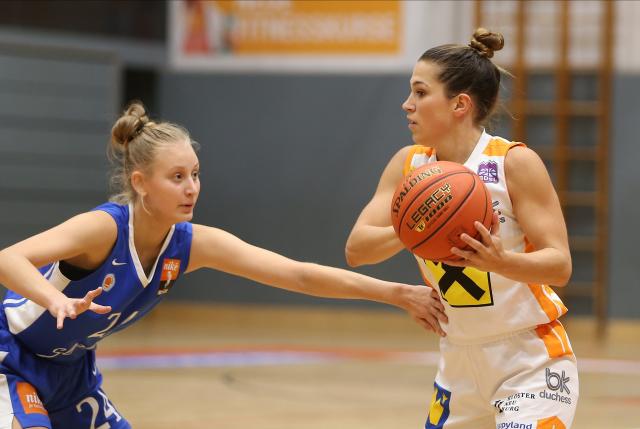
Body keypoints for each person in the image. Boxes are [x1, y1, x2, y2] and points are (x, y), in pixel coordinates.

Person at [0, 102, 445, 429]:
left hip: (73, 373)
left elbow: (297, 273)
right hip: (12, 358)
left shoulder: (191, 244)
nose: (191, 187)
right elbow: (8, 258)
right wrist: (53, 298)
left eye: (195, 174)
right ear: (141, 183)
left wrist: (396, 293)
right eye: (177, 177)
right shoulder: (104, 229)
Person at [345, 28, 578, 429]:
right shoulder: (408, 165)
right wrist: (419, 224)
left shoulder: (512, 164)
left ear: (460, 104)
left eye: (420, 93)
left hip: (530, 359)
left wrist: (501, 262)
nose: (407, 104)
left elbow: (559, 266)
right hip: (457, 364)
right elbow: (357, 250)